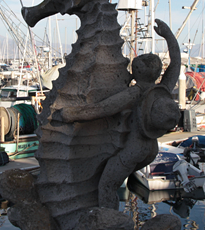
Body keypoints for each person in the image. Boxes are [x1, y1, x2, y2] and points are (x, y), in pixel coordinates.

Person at [57, 19, 182, 209]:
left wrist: (71, 114)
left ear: (136, 71)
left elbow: (103, 108)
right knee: (112, 179)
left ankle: (110, 221)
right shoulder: (162, 89)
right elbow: (176, 64)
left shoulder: (135, 93)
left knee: (107, 185)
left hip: (134, 149)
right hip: (151, 149)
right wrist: (169, 36)